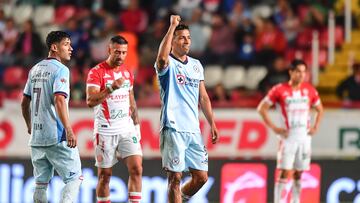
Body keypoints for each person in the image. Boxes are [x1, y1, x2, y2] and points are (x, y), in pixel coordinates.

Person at [155, 15, 219, 203]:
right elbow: (161, 58)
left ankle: (180, 199)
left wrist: (212, 123)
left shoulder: (196, 65)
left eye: (189, 37)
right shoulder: (168, 64)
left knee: (201, 177)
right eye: (182, 37)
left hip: (193, 128)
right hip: (173, 127)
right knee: (174, 178)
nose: (187, 41)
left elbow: (204, 97)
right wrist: (172, 26)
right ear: (172, 40)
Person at [21, 31, 83, 203]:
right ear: (54, 47)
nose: (71, 48)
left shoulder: (35, 69)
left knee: (41, 184)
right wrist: (69, 130)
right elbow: (59, 99)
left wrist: (29, 125)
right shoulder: (61, 70)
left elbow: (24, 102)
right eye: (66, 44)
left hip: (37, 137)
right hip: (56, 134)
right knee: (74, 178)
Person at [257, 59, 323, 203]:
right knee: (285, 171)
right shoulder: (279, 90)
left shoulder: (309, 90)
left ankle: (295, 201)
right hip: (288, 137)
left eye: (303, 72)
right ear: (291, 72)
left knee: (299, 172)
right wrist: (275, 128)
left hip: (305, 137)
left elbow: (320, 109)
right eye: (298, 71)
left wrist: (316, 126)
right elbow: (262, 108)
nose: (301, 75)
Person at [86, 35, 142, 203]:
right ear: (109, 50)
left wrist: (137, 125)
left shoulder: (127, 72)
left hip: (127, 128)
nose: (121, 56)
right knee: (105, 176)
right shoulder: (96, 72)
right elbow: (90, 101)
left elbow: (131, 100)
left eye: (124, 53)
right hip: (105, 130)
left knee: (137, 169)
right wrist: (110, 88)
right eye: (117, 52)